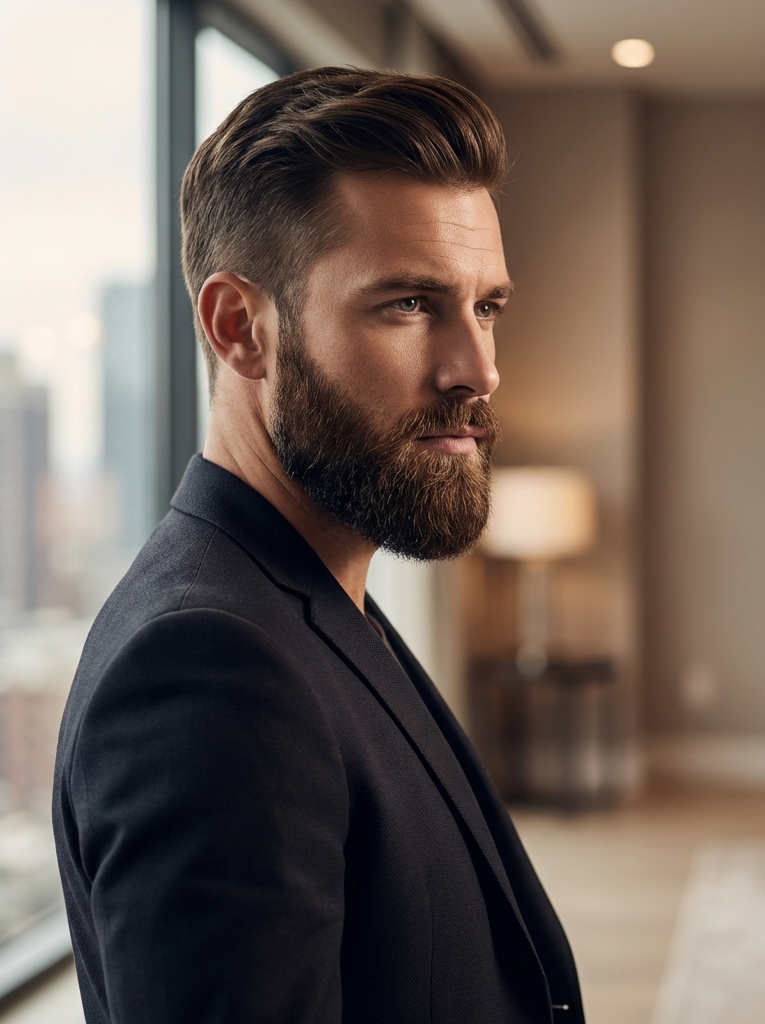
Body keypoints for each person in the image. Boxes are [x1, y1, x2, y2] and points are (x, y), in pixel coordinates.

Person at [52, 67, 583, 1024]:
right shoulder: (208, 669)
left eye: (487, 306)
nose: (480, 369)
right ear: (238, 327)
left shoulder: (312, 597)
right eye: (409, 304)